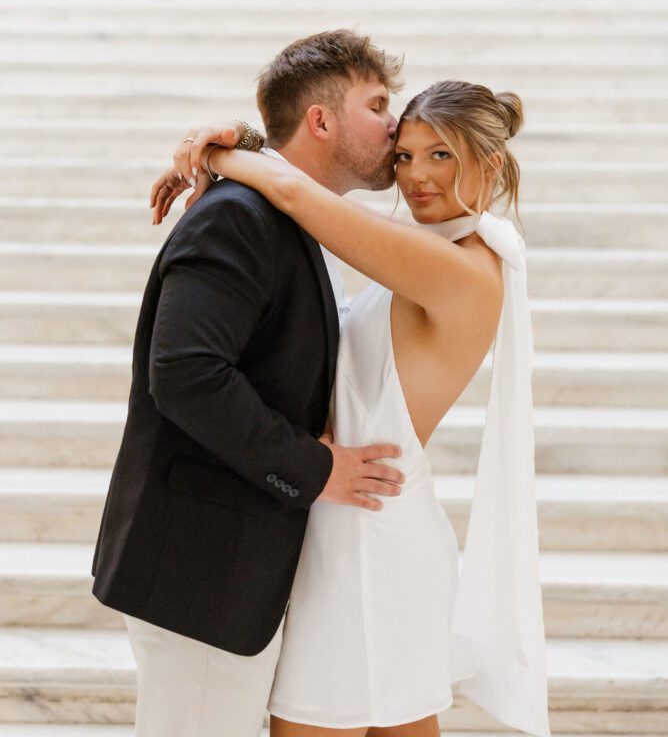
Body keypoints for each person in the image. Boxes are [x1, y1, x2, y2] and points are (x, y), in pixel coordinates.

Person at [151, 76, 552, 737]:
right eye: (404, 156)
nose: (416, 175)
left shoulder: (461, 269)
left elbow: (290, 191)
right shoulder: (446, 254)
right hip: (369, 527)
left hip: (367, 539)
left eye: (441, 154)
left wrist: (216, 153)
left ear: (493, 164)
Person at [91, 30, 409, 737]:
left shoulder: (282, 213)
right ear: (321, 121)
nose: (396, 123)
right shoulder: (241, 215)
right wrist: (315, 466)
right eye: (378, 103)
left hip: (230, 563)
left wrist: (235, 141)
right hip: (201, 569)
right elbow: (185, 373)